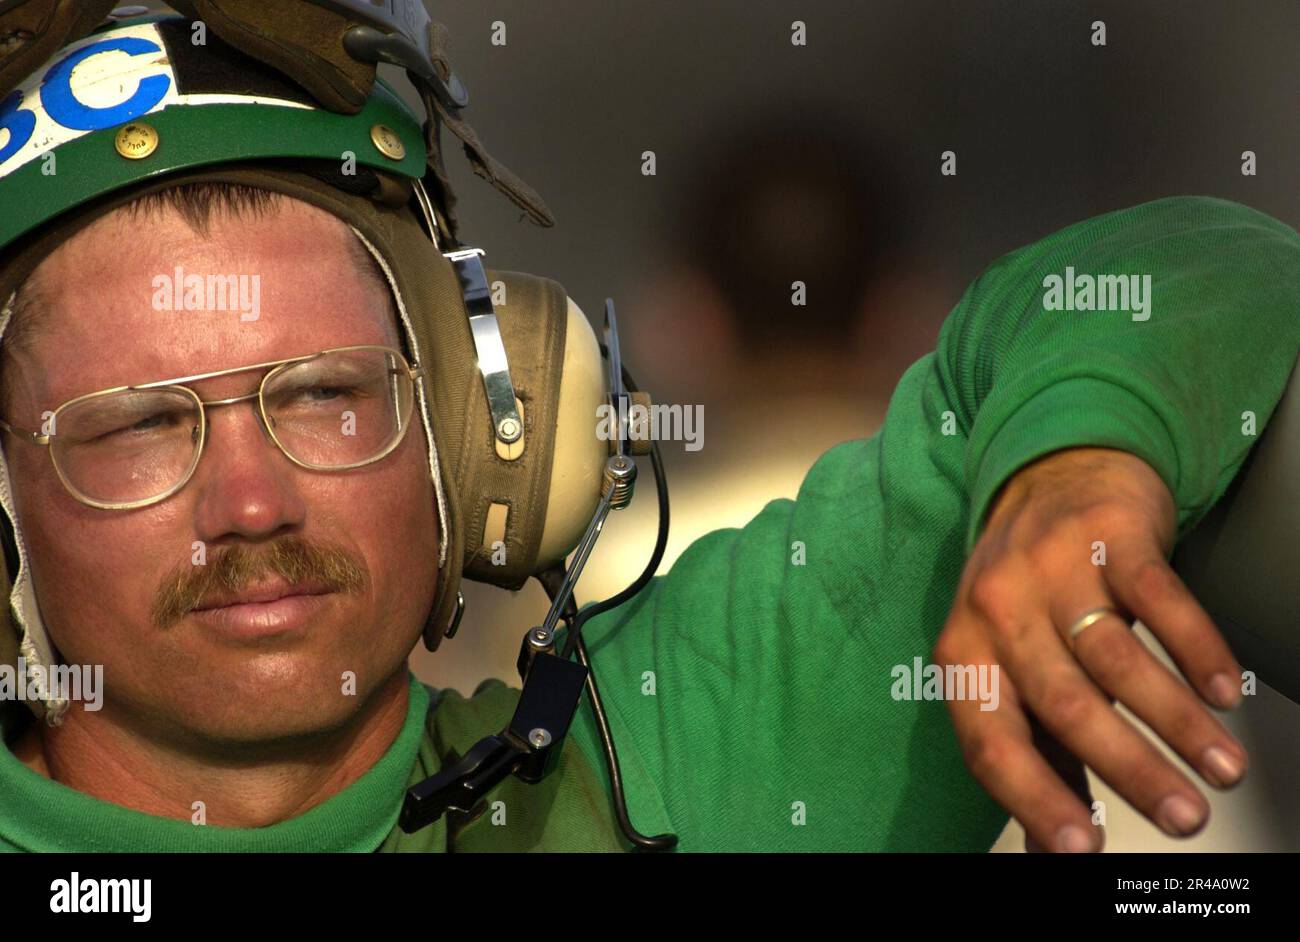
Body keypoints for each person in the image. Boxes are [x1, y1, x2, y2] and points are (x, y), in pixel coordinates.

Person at [0, 8, 1296, 853]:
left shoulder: (689, 752)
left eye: (325, 395)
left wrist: (1067, 459)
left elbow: (1201, 267)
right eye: (137, 427)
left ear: (478, 425)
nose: (250, 500)